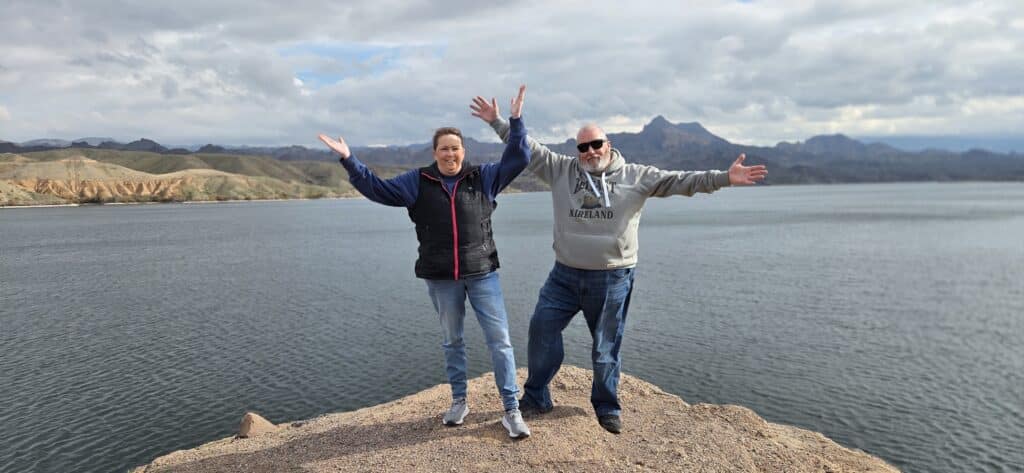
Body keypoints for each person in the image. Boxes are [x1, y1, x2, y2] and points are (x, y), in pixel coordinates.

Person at [469, 95, 767, 434]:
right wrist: (497, 121)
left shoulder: (636, 176)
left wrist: (725, 178)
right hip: (564, 275)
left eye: (596, 144)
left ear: (608, 145)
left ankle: (607, 406)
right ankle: (537, 396)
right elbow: (526, 146)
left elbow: (684, 181)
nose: (590, 152)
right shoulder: (560, 170)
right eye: (583, 147)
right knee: (541, 330)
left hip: (612, 278)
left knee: (605, 346)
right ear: (576, 151)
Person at [319, 86, 532, 439]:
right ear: (435, 153)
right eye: (444, 148)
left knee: (501, 341)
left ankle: (511, 409)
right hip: (440, 277)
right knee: (452, 341)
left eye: (456, 148)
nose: (450, 153)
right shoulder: (418, 181)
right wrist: (349, 160)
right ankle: (460, 401)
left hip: (482, 274)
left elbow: (520, 157)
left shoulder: (484, 177)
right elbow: (378, 189)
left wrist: (515, 121)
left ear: (464, 151)